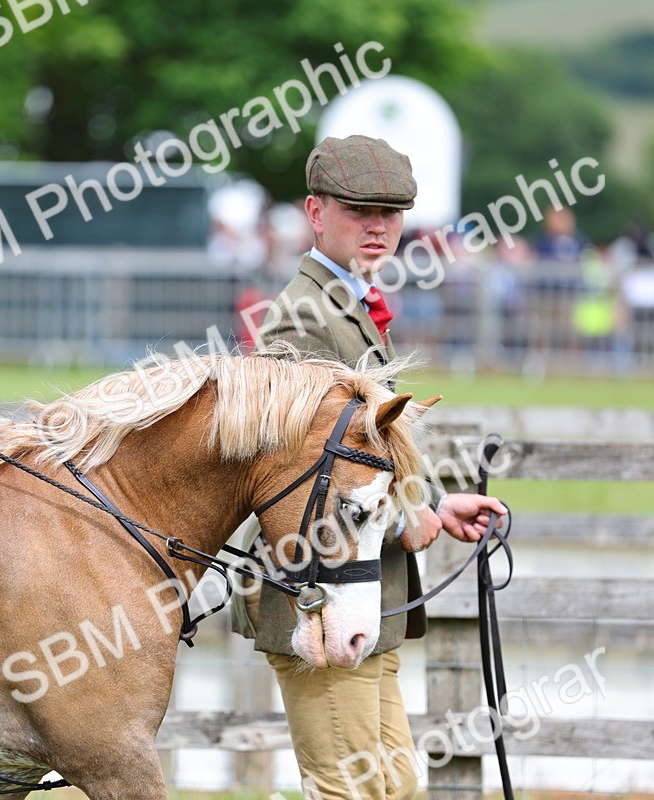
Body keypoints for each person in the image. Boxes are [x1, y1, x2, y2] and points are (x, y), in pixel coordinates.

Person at [232, 135, 507, 800]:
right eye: (359, 209)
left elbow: (370, 447)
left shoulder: (347, 302)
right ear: (315, 212)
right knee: (351, 790)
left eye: (391, 210)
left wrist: (434, 505)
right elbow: (305, 471)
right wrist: (412, 512)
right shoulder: (303, 316)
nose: (379, 225)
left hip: (364, 591)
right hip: (318, 592)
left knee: (392, 787)